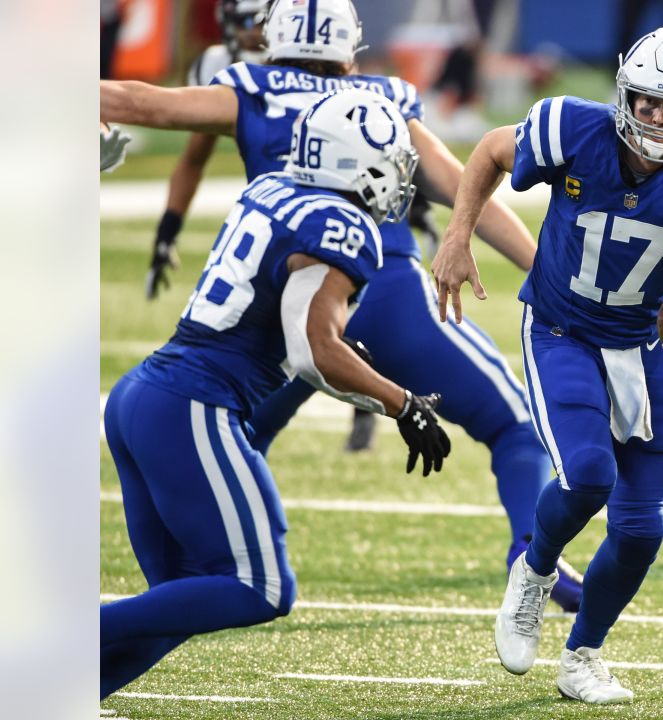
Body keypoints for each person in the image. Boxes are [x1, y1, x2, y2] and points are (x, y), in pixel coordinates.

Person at [100, 0, 585, 611]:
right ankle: (529, 549)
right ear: (349, 44)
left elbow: (137, 102)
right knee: (515, 425)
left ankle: (188, 570)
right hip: (384, 293)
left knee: (231, 430)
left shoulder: (252, 88)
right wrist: (548, 275)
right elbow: (468, 192)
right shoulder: (382, 102)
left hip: (275, 317)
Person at [432, 27, 663, 704]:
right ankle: (536, 567)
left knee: (642, 527)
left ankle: (583, 655)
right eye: (649, 104)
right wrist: (458, 233)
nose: (661, 121)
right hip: (562, 328)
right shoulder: (569, 128)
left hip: (642, 345)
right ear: (624, 96)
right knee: (585, 476)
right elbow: (492, 150)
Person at [99, 88, 452, 698]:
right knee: (259, 586)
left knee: (182, 598)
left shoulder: (274, 191)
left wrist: (360, 373)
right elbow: (312, 350)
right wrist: (402, 403)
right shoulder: (342, 224)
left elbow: (296, 327)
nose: (400, 179)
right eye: (393, 164)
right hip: (193, 404)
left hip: (148, 396)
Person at [146, 0, 268, 301]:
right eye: (247, 23)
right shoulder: (218, 67)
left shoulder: (304, 66)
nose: (256, 33)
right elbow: (194, 158)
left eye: (263, 22)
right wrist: (167, 230)